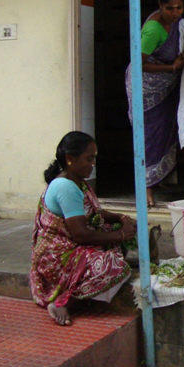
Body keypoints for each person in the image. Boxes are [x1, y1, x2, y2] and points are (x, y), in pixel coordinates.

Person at [31, 131, 137, 325]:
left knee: (112, 242)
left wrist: (121, 219)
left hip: (74, 246)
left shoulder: (78, 183)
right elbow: (80, 235)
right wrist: (120, 234)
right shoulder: (65, 187)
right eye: (89, 159)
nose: (92, 164)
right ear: (71, 159)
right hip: (57, 258)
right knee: (112, 266)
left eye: (93, 159)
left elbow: (96, 213)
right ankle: (65, 301)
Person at [125, 0, 184, 207]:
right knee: (148, 138)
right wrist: (171, 68)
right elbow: (138, 64)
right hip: (146, 89)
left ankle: (160, 178)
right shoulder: (153, 30)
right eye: (170, 8)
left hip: (165, 89)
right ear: (160, 6)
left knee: (166, 132)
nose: (175, 12)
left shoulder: (178, 24)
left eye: (179, 8)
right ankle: (146, 191)